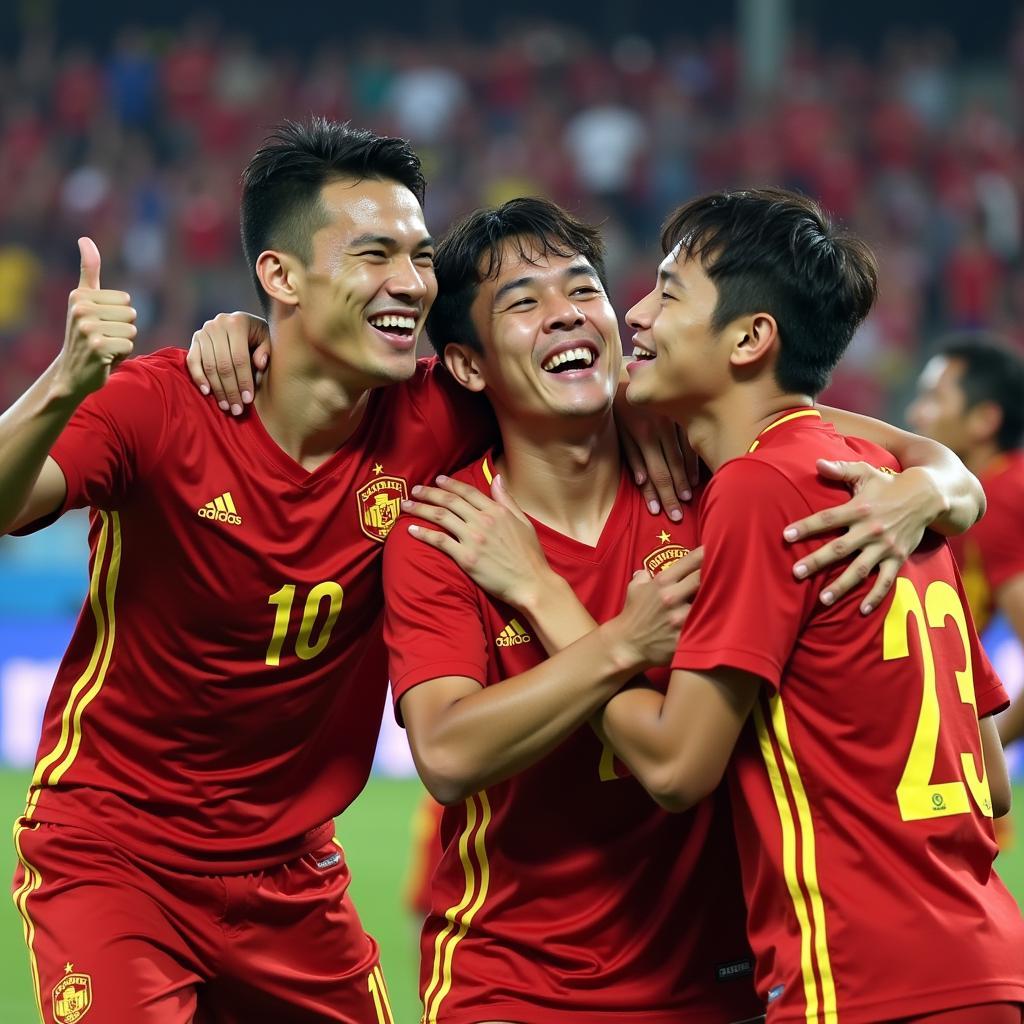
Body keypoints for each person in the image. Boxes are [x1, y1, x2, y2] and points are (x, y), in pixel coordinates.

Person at [375, 198, 987, 1024]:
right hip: (518, 982)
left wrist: (929, 487)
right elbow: (446, 756)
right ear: (469, 366)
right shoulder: (454, 531)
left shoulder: (720, 478)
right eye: (524, 302)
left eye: (583, 288)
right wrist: (621, 644)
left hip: (725, 981)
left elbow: (819, 428)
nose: (570, 315)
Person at [3, 118, 499, 1024]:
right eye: (374, 253)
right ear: (280, 276)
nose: (411, 284)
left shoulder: (440, 415)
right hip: (117, 858)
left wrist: (843, 464)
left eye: (421, 257)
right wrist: (63, 384)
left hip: (292, 875)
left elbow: (632, 414)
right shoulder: (158, 407)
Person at [581, 187, 1024, 1023]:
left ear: (751, 338)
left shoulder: (758, 486)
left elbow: (678, 768)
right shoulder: (873, 476)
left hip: (861, 979)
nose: (634, 312)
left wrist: (543, 600)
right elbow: (992, 784)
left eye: (670, 293)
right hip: (984, 963)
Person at [907, 334, 1024, 750]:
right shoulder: (978, 496)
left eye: (934, 398)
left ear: (984, 420)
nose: (916, 414)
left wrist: (976, 754)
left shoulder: (1002, 497)